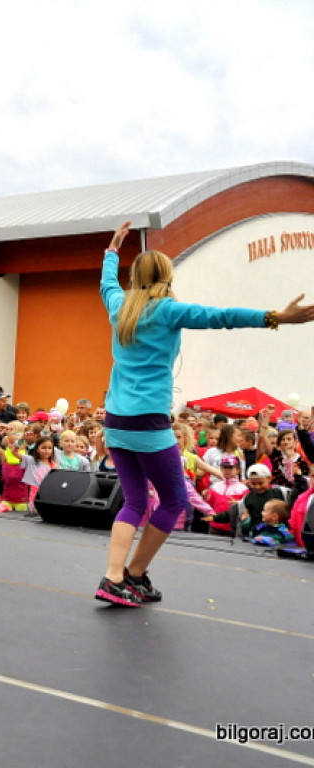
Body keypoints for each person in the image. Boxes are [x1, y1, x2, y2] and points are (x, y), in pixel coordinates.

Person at [95, 220, 314, 606]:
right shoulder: (168, 310)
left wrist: (112, 250)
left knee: (134, 501)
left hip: (116, 420)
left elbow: (107, 283)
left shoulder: (119, 307)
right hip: (148, 422)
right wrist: (276, 317)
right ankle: (133, 573)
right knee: (173, 501)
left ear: (135, 278)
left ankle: (115, 577)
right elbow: (222, 316)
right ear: (167, 277)